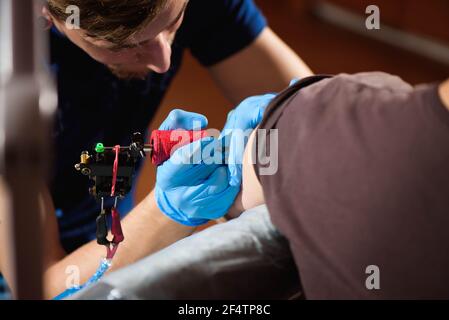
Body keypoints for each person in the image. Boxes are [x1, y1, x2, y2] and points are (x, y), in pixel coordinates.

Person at [0, 0, 312, 298]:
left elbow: (317, 113)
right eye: (124, 47)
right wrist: (168, 212)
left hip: (115, 229)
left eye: (174, 23)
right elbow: (41, 288)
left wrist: (293, 108)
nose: (163, 60)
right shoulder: (9, 76)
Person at [155, 72, 449, 299]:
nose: (164, 61)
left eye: (174, 24)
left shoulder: (326, 119)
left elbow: (269, 168)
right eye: (131, 43)